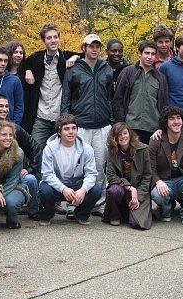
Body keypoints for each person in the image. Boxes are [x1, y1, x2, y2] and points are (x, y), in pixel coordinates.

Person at [61, 33, 114, 215]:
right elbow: (66, 98)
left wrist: (111, 121)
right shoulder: (73, 69)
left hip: (102, 126)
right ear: (84, 48)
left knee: (99, 167)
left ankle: (98, 204)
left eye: (97, 46)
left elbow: (110, 97)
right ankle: (73, 204)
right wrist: (65, 122)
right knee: (76, 167)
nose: (94, 49)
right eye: (91, 46)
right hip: (80, 125)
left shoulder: (106, 69)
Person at [20, 23, 81, 144]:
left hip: (61, 117)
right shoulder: (36, 58)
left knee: (61, 150)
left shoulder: (65, 56)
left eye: (55, 37)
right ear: (44, 40)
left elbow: (85, 55)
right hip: (41, 116)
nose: (53, 40)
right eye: (49, 38)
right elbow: (22, 63)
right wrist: (27, 71)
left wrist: (75, 57)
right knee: (35, 148)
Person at [38, 114, 102, 225]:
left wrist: (83, 190)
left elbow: (91, 174)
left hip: (77, 185)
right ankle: (47, 214)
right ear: (59, 132)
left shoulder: (87, 149)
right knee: (44, 189)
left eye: (74, 128)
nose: (71, 132)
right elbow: (47, 174)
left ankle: (81, 214)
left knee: (96, 189)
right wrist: (63, 188)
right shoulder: (49, 148)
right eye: (66, 129)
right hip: (58, 185)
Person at [148, 106, 183, 226]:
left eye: (178, 118)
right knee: (156, 194)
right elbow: (150, 166)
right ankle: (166, 209)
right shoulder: (156, 139)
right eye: (172, 119)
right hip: (165, 181)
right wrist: (158, 181)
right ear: (166, 122)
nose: (176, 121)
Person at [113, 39, 169, 143]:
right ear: (139, 53)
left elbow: (164, 105)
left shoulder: (160, 78)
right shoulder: (128, 72)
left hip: (153, 129)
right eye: (146, 53)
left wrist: (161, 127)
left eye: (153, 54)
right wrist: (121, 123)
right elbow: (118, 100)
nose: (149, 57)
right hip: (130, 127)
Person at [103, 123, 152, 230]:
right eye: (119, 134)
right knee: (114, 190)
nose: (123, 137)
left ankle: (130, 213)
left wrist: (138, 196)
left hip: (139, 190)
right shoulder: (112, 150)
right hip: (123, 189)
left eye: (125, 133)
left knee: (136, 224)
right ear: (115, 138)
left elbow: (147, 176)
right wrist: (130, 187)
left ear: (129, 134)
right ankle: (115, 215)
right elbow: (111, 175)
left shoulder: (143, 149)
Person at [0, 47, 24, 125]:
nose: (3, 64)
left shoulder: (14, 80)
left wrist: (14, 124)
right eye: (0, 60)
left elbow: (19, 106)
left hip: (8, 125)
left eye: (5, 61)